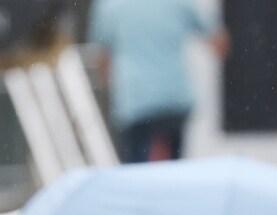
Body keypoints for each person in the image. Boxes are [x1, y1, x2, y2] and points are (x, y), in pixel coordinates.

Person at [89, 0, 229, 163]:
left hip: (135, 102)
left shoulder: (110, 5)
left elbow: (102, 57)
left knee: (136, 169)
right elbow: (219, 42)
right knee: (172, 169)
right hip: (174, 99)